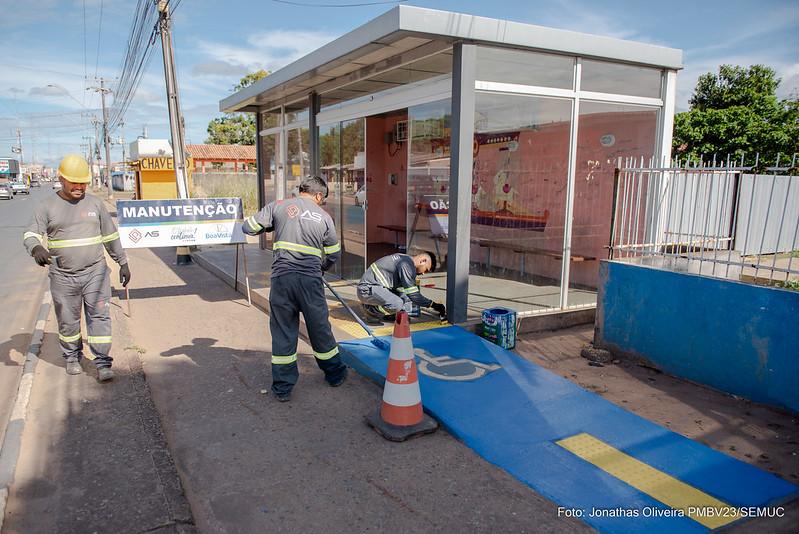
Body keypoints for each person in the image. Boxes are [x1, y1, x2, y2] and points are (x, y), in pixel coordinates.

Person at [23, 154, 131, 382]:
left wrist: (122, 262)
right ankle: (72, 357)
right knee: (68, 320)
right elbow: (31, 234)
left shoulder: (95, 204)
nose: (80, 187)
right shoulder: (47, 206)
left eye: (83, 182)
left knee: (99, 316)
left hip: (96, 273)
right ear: (61, 179)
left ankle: (102, 362)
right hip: (63, 276)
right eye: (75, 182)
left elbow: (110, 235)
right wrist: (36, 248)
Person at [241, 176, 347, 402]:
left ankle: (282, 388)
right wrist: (321, 269)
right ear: (319, 195)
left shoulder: (278, 206)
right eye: (323, 199)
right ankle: (335, 374)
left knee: (283, 331)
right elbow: (334, 253)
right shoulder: (325, 217)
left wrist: (271, 224)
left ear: (301, 191)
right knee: (319, 328)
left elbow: (248, 227)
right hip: (310, 281)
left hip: (282, 280)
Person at [357, 252, 446, 325]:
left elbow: (407, 292)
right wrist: (434, 305)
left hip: (377, 288)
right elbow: (414, 296)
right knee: (397, 304)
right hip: (367, 289)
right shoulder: (406, 264)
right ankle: (370, 309)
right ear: (423, 260)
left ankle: (391, 312)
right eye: (426, 270)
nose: (423, 274)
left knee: (404, 294)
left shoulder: (405, 258)